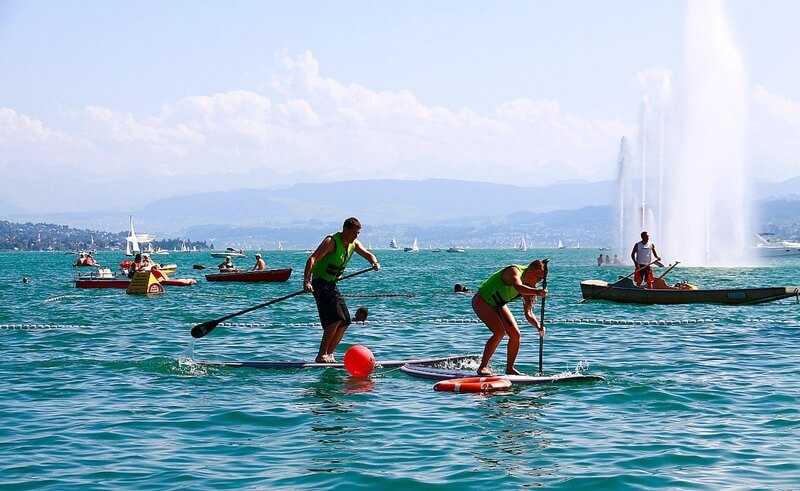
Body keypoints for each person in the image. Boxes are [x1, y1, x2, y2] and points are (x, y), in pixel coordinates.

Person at [304, 217, 380, 363]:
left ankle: (330, 354)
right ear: (345, 229)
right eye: (354, 233)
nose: (356, 236)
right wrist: (306, 282)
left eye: (358, 233)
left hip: (332, 284)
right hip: (320, 283)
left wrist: (374, 262)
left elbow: (369, 255)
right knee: (335, 319)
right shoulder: (331, 241)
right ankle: (321, 355)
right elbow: (312, 259)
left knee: (345, 320)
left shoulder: (354, 244)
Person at [472, 259, 547, 376]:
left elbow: (528, 312)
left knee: (515, 335)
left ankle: (510, 368)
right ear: (531, 270)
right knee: (499, 332)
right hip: (481, 300)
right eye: (538, 277)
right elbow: (517, 287)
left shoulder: (531, 286)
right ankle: (482, 367)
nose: (538, 281)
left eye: (541, 280)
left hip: (498, 304)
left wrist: (538, 326)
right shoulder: (514, 271)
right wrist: (537, 292)